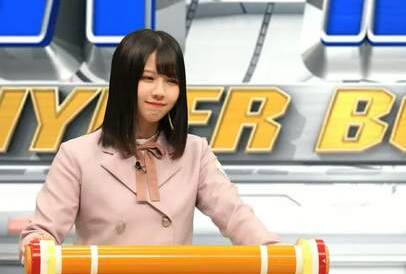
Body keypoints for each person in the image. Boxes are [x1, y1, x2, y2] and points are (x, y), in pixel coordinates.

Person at [19, 29, 278, 254]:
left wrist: (273, 251)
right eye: (148, 78)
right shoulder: (76, 155)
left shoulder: (196, 152)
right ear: (124, 81)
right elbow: (43, 231)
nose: (160, 92)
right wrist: (37, 244)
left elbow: (233, 214)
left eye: (171, 81)